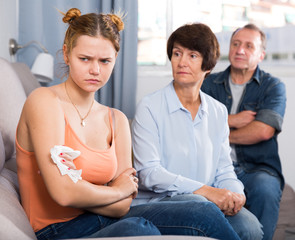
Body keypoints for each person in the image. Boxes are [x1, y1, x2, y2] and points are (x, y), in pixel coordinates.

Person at [16, 8, 242, 240]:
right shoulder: (45, 101)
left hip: (104, 219)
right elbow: (63, 194)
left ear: (115, 59)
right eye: (85, 59)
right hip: (56, 229)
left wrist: (93, 193)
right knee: (141, 229)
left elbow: (123, 204)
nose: (95, 70)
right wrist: (113, 191)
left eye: (105, 61)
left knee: (201, 211)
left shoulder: (117, 119)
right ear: (66, 54)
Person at [131, 23, 263, 240]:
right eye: (177, 53)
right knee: (201, 205)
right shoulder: (150, 106)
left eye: (192, 55)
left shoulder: (218, 111)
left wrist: (235, 194)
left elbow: (224, 169)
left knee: (249, 226)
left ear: (207, 66)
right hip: (158, 204)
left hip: (207, 202)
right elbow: (149, 173)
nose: (182, 62)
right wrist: (206, 191)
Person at [201, 23, 286, 240]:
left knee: (266, 188)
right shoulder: (208, 83)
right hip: (214, 168)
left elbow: (263, 131)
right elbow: (196, 125)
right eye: (236, 44)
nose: (240, 50)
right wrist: (234, 120)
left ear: (261, 55)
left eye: (249, 46)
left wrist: (220, 130)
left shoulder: (273, 86)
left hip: (257, 168)